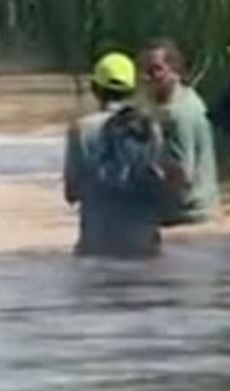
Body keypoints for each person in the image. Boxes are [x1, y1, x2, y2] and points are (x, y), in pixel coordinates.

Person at [64, 52, 169, 259]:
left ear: (95, 89)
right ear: (132, 89)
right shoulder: (151, 127)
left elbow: (72, 192)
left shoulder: (81, 129)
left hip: (97, 246)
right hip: (145, 245)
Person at [139, 38, 221, 226]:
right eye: (144, 70)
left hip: (187, 216)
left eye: (155, 70)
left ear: (175, 71)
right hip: (202, 212)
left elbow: (183, 174)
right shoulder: (189, 98)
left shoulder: (176, 115)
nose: (147, 77)